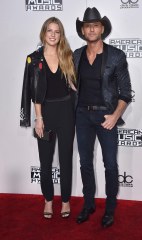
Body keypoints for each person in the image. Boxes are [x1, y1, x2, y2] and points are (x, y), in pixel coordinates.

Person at [74, 7, 131, 227]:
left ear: (102, 28)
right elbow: (71, 82)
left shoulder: (116, 55)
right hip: (82, 116)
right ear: (83, 30)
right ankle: (88, 204)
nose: (91, 29)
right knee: (85, 163)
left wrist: (115, 115)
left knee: (110, 164)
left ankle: (110, 208)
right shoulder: (76, 55)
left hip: (106, 117)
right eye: (88, 26)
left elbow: (125, 92)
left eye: (95, 25)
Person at [20, 17, 76, 219]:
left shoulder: (67, 56)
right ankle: (48, 201)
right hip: (45, 114)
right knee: (45, 161)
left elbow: (74, 86)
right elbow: (34, 92)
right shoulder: (33, 59)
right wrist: (38, 118)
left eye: (57, 31)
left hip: (66, 113)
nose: (53, 34)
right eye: (49, 30)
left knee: (65, 160)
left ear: (61, 35)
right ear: (43, 33)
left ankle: (66, 201)